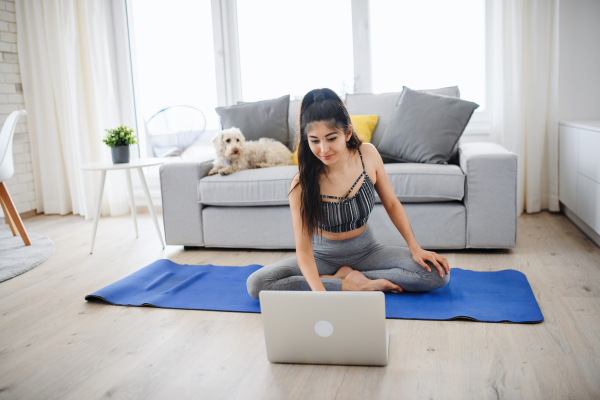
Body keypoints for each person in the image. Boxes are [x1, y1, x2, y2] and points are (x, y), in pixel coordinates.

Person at [246, 88, 450, 299]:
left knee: (436, 275)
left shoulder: (368, 154)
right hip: (321, 256)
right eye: (314, 140)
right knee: (258, 284)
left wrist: (414, 247)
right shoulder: (301, 183)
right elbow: (304, 250)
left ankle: (353, 277)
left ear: (348, 133)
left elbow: (391, 203)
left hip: (367, 250)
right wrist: (322, 292)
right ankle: (349, 283)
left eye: (331, 138)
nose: (323, 149)